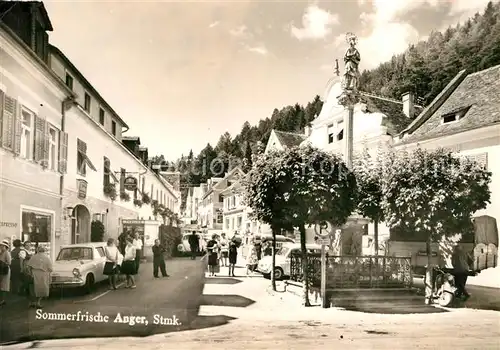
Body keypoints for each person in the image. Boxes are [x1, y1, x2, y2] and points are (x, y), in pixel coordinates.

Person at [0, 239, 12, 306]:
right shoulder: (1, 253)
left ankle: (3, 300)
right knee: (2, 285)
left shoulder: (7, 253)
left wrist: (3, 263)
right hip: (1, 270)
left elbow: (9, 262)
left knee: (4, 285)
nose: (1, 247)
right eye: (1, 246)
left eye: (2, 246)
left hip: (5, 270)